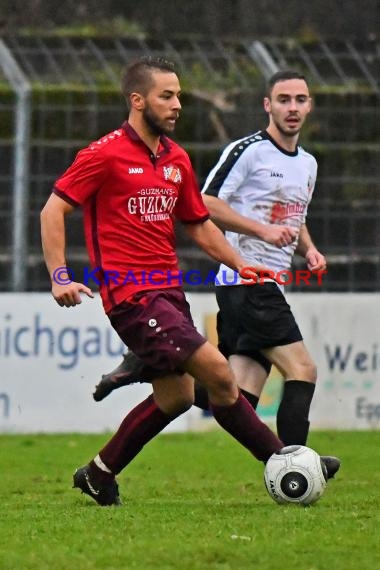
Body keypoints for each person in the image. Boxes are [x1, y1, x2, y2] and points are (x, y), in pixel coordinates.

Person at [40, 56, 289, 507]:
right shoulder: (103, 154)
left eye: (178, 95)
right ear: (138, 101)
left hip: (169, 293)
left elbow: (196, 223)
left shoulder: (176, 158)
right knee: (218, 373)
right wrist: (60, 276)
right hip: (131, 296)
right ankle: (285, 461)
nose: (177, 105)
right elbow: (52, 210)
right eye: (166, 96)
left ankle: (98, 473)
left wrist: (237, 261)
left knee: (176, 397)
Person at [91, 69, 341, 480]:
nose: (292, 108)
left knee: (232, 393)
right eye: (284, 100)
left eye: (300, 99)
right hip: (245, 283)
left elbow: (295, 217)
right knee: (303, 369)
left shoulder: (308, 164)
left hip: (270, 281)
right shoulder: (248, 151)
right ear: (268, 105)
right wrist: (259, 232)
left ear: (310, 105)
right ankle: (299, 465)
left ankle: (145, 365)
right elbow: (206, 203)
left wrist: (308, 248)